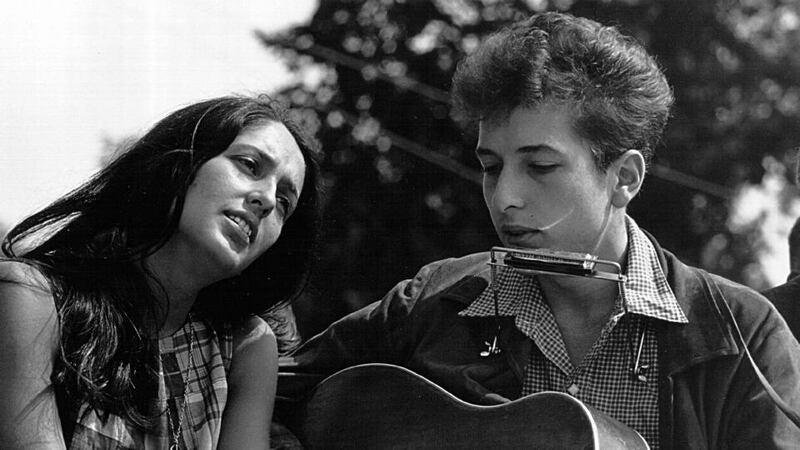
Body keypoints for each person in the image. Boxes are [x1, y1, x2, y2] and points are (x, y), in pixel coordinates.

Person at [278, 12, 800, 449]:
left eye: (540, 166)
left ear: (624, 178)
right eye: (490, 166)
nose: (504, 196)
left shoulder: (742, 334)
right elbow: (266, 393)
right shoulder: (431, 301)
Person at [0, 94, 322, 448]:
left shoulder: (247, 348)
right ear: (181, 163)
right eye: (249, 165)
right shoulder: (33, 301)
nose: (268, 200)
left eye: (285, 202)